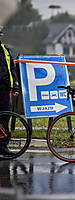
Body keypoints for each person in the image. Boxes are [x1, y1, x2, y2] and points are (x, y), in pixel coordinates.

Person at [0, 26, 20, 156]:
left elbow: (11, 69)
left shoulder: (5, 50)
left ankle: (2, 147)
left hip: (4, 90)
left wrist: (15, 87)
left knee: (4, 117)